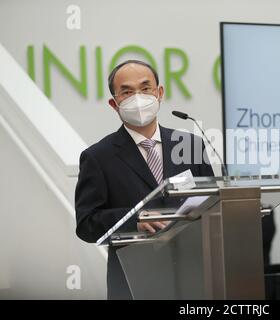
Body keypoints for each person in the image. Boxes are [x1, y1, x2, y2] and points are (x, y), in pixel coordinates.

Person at [75, 60, 214, 299]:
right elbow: (87, 224)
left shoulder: (190, 145)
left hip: (192, 276)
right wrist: (134, 221)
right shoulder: (98, 157)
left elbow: (212, 203)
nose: (138, 97)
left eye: (145, 88)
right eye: (127, 92)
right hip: (132, 282)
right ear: (114, 103)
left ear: (159, 93)